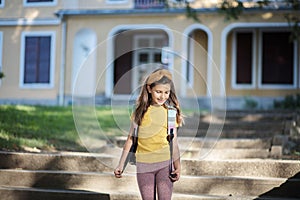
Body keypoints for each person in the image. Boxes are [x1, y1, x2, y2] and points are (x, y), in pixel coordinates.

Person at [114, 68, 183, 200]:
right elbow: (130, 139)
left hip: (164, 164)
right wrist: (121, 164)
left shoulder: (170, 113)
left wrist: (177, 166)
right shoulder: (140, 113)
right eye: (158, 92)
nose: (163, 96)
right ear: (149, 89)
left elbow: (173, 141)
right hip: (144, 165)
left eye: (166, 92)